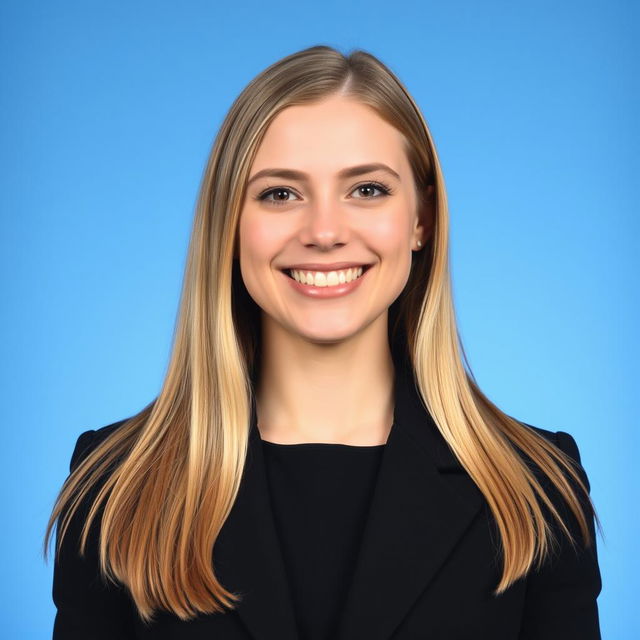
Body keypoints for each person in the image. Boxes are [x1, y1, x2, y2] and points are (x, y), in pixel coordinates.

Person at [43, 45, 603, 639]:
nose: (325, 232)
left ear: (422, 220)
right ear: (228, 225)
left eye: (366, 189)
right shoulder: (118, 486)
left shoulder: (537, 490)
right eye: (280, 193)